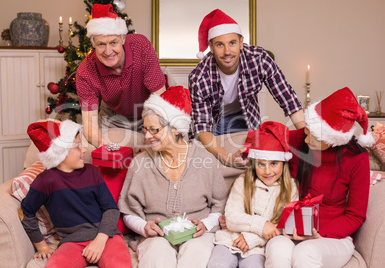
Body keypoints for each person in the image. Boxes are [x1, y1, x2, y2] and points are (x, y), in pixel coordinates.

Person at [118, 85, 229, 267]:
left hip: (197, 235)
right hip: (156, 237)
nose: (147, 136)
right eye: (145, 129)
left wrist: (206, 225)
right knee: (157, 253)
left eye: (154, 130)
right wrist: (144, 227)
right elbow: (128, 212)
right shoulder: (140, 163)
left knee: (195, 253)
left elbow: (221, 206)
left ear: (176, 129)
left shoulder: (205, 160)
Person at [264, 87, 375, 268]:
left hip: (332, 237)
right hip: (292, 230)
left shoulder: (357, 159)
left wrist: (317, 233)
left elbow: (355, 216)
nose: (306, 140)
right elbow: (267, 137)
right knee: (277, 248)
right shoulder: (301, 138)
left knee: (306, 251)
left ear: (333, 139)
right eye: (307, 131)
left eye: (314, 137)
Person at [188, 9, 305, 168]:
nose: (227, 51)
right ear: (211, 47)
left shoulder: (259, 59)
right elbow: (202, 127)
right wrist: (226, 159)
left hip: (246, 118)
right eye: (220, 45)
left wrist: (307, 140)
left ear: (241, 42)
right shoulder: (199, 77)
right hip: (213, 124)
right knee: (210, 164)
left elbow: (289, 100)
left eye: (232, 43)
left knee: (254, 160)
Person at [21, 120, 132, 267]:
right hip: (72, 242)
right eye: (78, 146)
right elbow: (25, 212)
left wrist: (100, 239)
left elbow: (110, 208)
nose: (84, 150)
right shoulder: (45, 180)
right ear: (61, 152)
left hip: (107, 236)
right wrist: (42, 246)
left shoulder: (92, 171)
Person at [207, 121, 298, 268]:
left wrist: (253, 237)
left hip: (257, 246)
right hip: (228, 240)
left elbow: (282, 226)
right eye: (261, 164)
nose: (268, 171)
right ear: (254, 164)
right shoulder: (243, 182)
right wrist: (262, 225)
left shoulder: (290, 189)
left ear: (283, 163)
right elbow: (231, 217)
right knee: (218, 264)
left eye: (274, 163)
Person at [76, 4, 166, 148]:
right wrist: (104, 148)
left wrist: (154, 132)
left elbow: (161, 99)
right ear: (93, 44)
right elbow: (89, 125)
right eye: (101, 44)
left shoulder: (141, 46)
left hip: (148, 109)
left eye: (113, 42)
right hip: (113, 116)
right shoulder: (85, 72)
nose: (108, 51)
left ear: (123, 39)